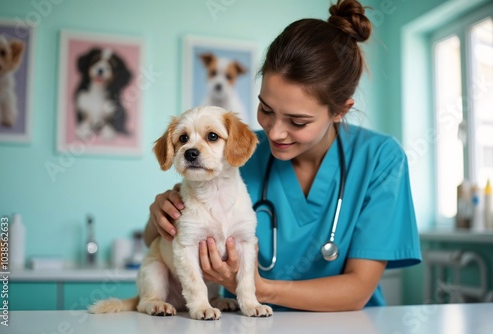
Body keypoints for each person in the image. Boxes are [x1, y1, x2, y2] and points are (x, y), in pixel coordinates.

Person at [144, 0, 421, 312]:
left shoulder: (381, 159)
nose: (274, 133)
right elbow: (158, 242)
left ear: (340, 110)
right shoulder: (235, 153)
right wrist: (158, 217)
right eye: (266, 109)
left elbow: (358, 290)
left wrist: (258, 289)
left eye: (297, 122)